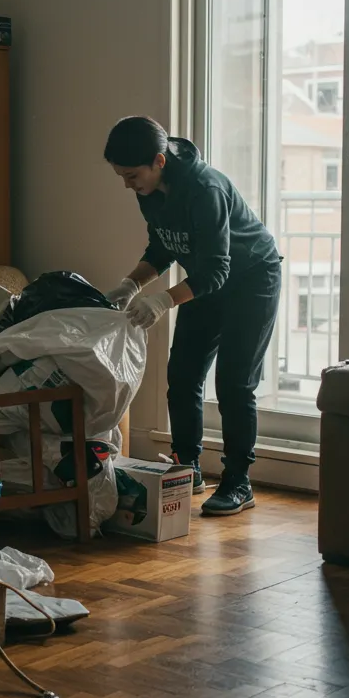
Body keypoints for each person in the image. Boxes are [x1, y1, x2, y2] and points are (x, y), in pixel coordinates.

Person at [103, 116, 281, 516]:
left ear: (159, 161)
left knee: (234, 383)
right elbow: (163, 247)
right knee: (182, 375)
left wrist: (163, 301)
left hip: (252, 279)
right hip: (204, 280)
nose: (128, 185)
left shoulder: (205, 189)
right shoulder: (148, 190)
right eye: (122, 177)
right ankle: (187, 467)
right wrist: (130, 284)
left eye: (131, 176)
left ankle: (238, 482)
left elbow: (218, 270)